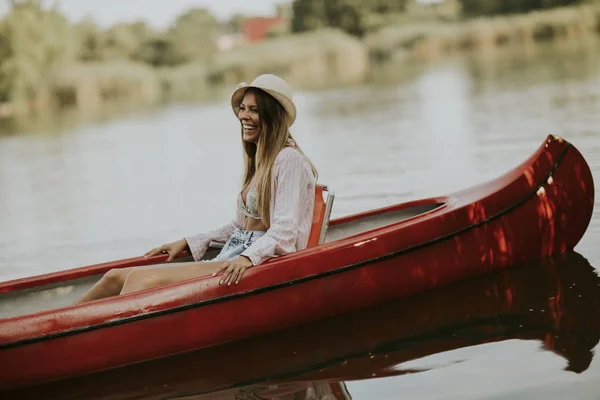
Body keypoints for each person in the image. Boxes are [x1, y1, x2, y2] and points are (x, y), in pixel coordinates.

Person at [75, 74, 318, 304]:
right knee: (114, 276)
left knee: (140, 279)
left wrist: (247, 258)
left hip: (259, 263)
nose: (243, 115)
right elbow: (240, 226)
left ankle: (114, 339)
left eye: (253, 110)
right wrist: (189, 241)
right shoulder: (261, 160)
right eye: (242, 108)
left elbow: (285, 230)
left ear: (272, 116)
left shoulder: (289, 159)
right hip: (238, 253)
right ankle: (54, 329)